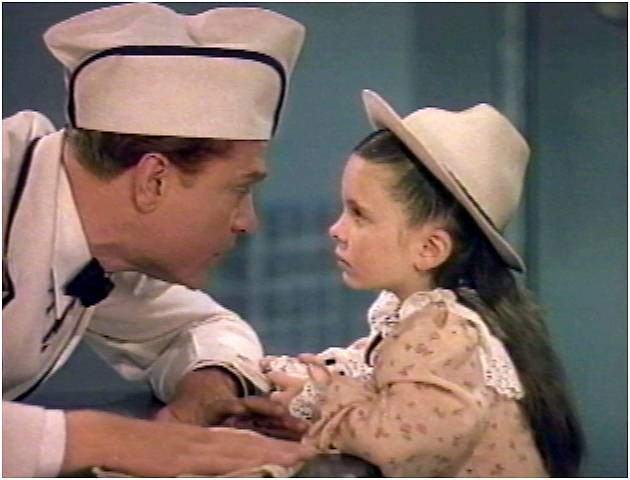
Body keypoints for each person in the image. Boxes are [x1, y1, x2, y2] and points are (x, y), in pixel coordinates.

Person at [2, 3, 316, 477]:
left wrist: (206, 394)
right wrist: (106, 440)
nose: (247, 222)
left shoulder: (96, 243)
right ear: (154, 181)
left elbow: (203, 326)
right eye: (239, 189)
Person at [263, 90, 585, 477]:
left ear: (430, 248)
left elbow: (400, 447)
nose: (337, 230)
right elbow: (369, 378)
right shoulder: (416, 322)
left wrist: (321, 398)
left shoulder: (444, 331)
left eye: (359, 215)